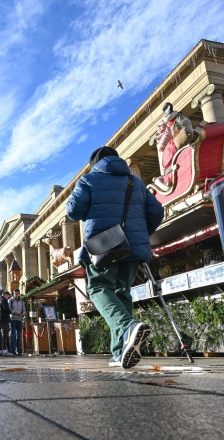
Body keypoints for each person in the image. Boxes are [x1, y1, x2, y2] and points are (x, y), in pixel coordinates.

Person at [66, 146, 164, 369]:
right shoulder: (135, 182)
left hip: (104, 244)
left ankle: (128, 326)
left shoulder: (89, 180)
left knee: (99, 289)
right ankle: (120, 351)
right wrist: (138, 234)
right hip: (131, 248)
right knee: (121, 293)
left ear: (95, 164)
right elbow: (157, 211)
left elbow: (73, 212)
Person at [8, 289, 26, 356]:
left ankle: (19, 351)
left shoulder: (22, 302)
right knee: (13, 335)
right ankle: (12, 351)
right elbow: (8, 309)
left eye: (17, 293)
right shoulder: (11, 300)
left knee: (19, 335)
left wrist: (22, 313)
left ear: (19, 294)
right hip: (13, 319)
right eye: (15, 293)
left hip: (20, 320)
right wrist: (15, 312)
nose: (16, 294)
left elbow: (24, 310)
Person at [0, 290, 13, 356]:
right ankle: (4, 350)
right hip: (4, 319)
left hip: (0, 319)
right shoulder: (4, 300)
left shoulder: (0, 300)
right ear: (5, 295)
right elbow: (6, 309)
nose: (8, 298)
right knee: (5, 334)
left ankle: (0, 350)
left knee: (1, 335)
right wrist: (11, 312)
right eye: (8, 296)